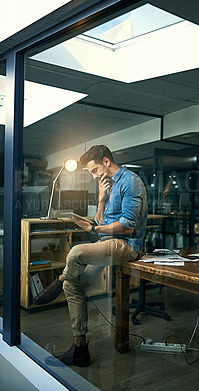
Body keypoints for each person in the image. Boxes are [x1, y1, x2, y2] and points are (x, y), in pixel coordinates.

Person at [34, 145, 148, 367]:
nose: (94, 176)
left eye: (95, 170)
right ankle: (79, 349)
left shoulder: (130, 181)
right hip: (108, 242)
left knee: (76, 252)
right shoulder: (109, 185)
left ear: (106, 162)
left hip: (127, 246)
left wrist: (93, 230)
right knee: (73, 285)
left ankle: (59, 279)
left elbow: (127, 227)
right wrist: (102, 199)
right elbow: (101, 222)